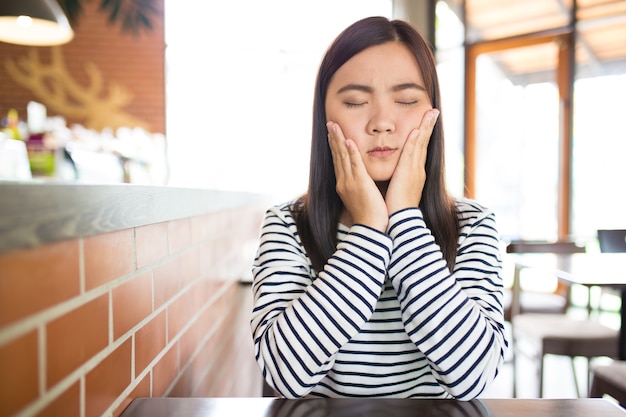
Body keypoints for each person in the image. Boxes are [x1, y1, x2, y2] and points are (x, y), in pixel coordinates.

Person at [250, 16, 507, 399]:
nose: (382, 122)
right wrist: (368, 229)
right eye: (355, 101)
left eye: (406, 100)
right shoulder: (288, 225)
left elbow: (475, 378)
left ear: (433, 113)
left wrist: (404, 217)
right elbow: (286, 377)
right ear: (324, 116)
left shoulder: (473, 225)